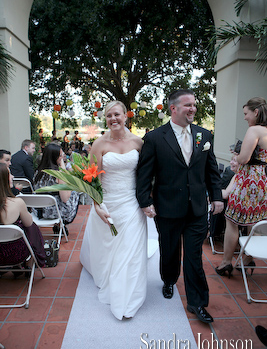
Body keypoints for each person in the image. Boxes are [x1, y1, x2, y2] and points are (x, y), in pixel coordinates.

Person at [136, 89, 224, 324]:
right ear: (173, 108)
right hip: (167, 208)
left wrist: (217, 196)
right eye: (187, 105)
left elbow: (211, 170)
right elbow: (145, 174)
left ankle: (197, 303)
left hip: (196, 208)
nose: (192, 109)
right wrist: (145, 201)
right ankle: (168, 279)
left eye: (194, 105)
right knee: (170, 249)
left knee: (194, 256)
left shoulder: (204, 135)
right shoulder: (155, 138)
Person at [80, 100, 147, 320]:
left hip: (131, 202)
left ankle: (128, 297)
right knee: (108, 249)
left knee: (131, 250)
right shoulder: (98, 144)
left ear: (126, 116)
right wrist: (97, 206)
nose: (113, 119)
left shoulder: (138, 142)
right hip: (107, 202)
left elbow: (146, 175)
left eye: (116, 114)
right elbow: (91, 179)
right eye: (109, 116)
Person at [216, 97, 267, 277]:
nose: (245, 117)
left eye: (246, 113)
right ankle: (247, 259)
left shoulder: (254, 130)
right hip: (264, 181)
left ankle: (226, 263)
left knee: (232, 221)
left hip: (249, 181)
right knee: (259, 222)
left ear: (256, 112)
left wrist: (236, 155)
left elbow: (244, 159)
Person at [0, 163, 45, 271]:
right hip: (16, 254)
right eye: (9, 174)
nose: (13, 177)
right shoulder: (17, 202)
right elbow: (29, 223)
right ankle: (29, 265)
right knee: (32, 227)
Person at [33, 143, 79, 233]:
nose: (63, 156)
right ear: (56, 157)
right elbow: (65, 199)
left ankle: (59, 225)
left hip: (40, 211)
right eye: (61, 155)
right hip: (57, 212)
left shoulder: (37, 173)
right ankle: (62, 224)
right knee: (75, 194)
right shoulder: (59, 175)